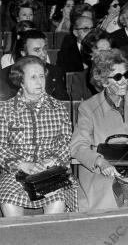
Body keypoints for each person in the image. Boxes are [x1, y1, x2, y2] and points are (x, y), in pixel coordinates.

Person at [71, 49, 128, 211]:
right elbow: (78, 147)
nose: (124, 81)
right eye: (118, 77)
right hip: (101, 170)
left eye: (126, 75)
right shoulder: (88, 108)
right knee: (122, 194)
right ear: (104, 81)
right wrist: (100, 162)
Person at [0, 56, 78, 216]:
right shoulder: (5, 110)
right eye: (33, 77)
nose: (39, 81)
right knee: (8, 201)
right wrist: (22, 165)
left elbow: (66, 143)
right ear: (20, 81)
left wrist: (50, 162)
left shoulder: (58, 108)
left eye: (42, 76)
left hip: (51, 170)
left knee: (57, 200)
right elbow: (1, 147)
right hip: (17, 172)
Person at [0, 30, 68, 101]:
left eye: (44, 48)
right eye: (37, 50)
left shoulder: (55, 71)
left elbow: (64, 102)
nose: (43, 54)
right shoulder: (5, 75)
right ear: (23, 53)